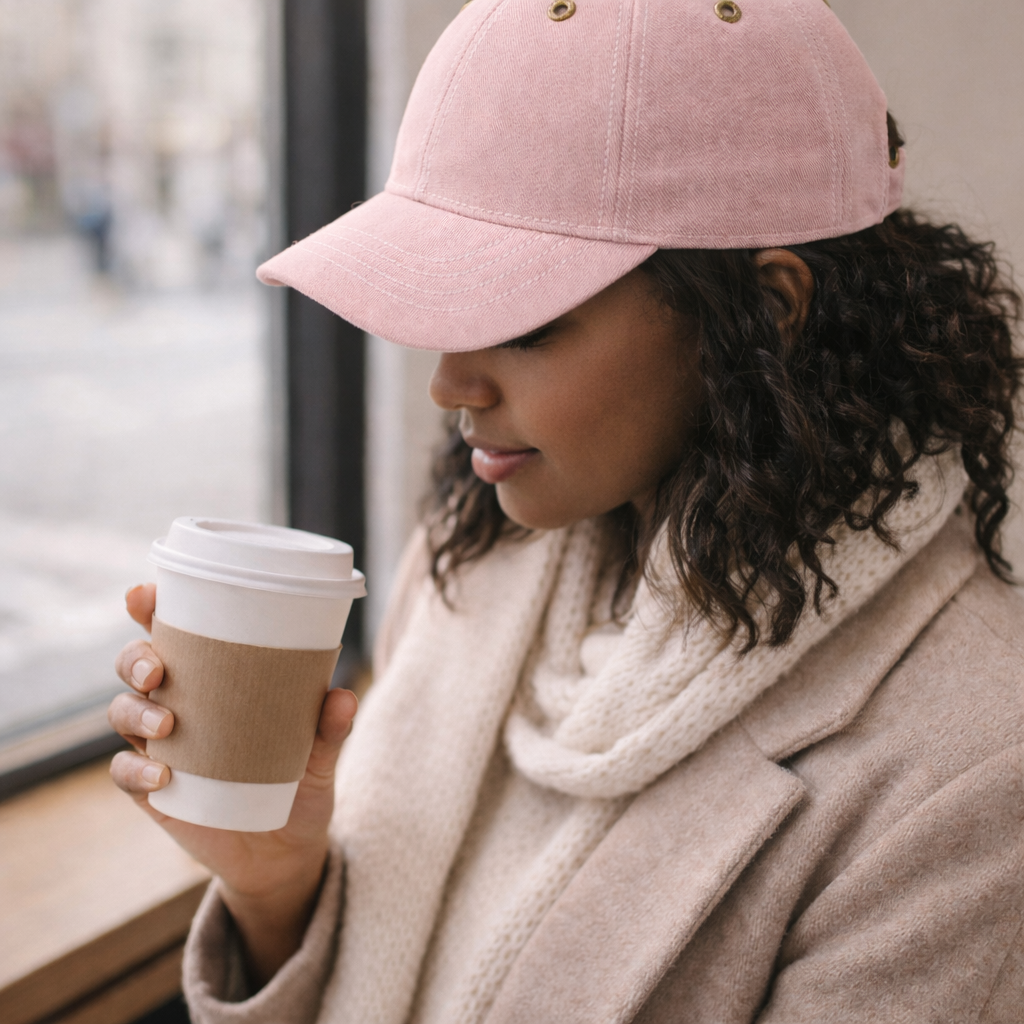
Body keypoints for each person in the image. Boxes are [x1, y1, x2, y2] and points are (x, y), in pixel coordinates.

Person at [108, 1, 1024, 1021]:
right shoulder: (478, 560)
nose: (448, 384)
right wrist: (273, 884)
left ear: (766, 313)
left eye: (525, 321)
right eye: (448, 301)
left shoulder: (972, 763)